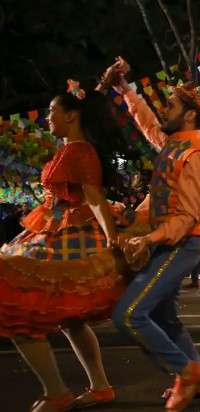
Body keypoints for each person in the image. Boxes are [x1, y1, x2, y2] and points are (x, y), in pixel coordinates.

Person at [0, 81, 131, 411]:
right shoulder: (73, 148)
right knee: (70, 321)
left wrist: (113, 238)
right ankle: (100, 387)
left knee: (18, 310)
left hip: (65, 235)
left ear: (71, 116)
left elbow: (95, 197)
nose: (47, 117)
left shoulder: (79, 151)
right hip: (53, 230)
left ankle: (56, 392)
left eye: (51, 111)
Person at [106, 57, 200, 411]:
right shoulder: (174, 145)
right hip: (168, 239)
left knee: (129, 315)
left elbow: (186, 218)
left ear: (189, 115)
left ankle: (184, 371)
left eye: (170, 105)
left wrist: (148, 239)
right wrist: (125, 89)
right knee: (164, 318)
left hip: (182, 242)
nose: (163, 109)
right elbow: (148, 123)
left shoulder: (196, 157)